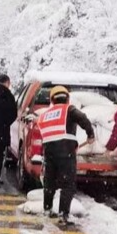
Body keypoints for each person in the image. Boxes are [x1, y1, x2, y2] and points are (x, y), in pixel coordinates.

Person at [36, 85, 95, 226]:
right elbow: (82, 118)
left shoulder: (43, 116)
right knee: (68, 184)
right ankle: (63, 214)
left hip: (49, 153)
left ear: (52, 100)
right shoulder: (69, 109)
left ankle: (47, 209)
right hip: (65, 152)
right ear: (67, 98)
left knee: (49, 182)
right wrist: (90, 134)